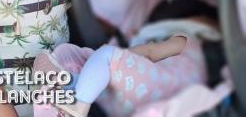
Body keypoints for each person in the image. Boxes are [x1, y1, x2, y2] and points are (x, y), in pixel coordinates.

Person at [34, 35, 206, 117]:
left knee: (107, 57)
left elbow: (150, 51)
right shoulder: (203, 75)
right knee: (103, 83)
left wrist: (120, 56)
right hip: (133, 104)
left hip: (151, 89)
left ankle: (76, 104)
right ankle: (72, 83)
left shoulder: (187, 41)